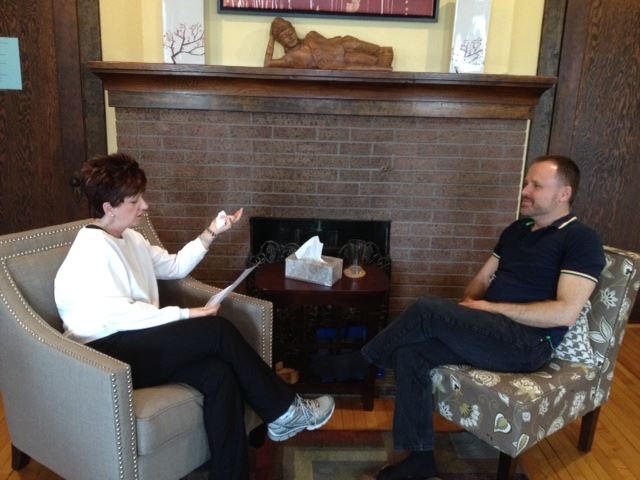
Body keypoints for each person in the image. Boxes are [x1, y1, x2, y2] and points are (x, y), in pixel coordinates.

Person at [54, 153, 335, 480]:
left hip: (135, 341)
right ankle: (284, 411)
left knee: (219, 375)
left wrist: (212, 231)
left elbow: (174, 266)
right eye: (135, 200)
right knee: (216, 331)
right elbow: (117, 315)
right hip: (104, 355)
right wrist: (187, 314)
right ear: (109, 207)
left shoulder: (131, 238)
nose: (145, 206)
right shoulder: (92, 248)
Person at [340, 155, 605, 480]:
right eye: (526, 183)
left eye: (536, 185)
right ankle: (420, 459)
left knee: (426, 308)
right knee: (411, 354)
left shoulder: (581, 239)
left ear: (564, 193)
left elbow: (565, 312)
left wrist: (491, 309)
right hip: (489, 332)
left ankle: (362, 362)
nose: (524, 191)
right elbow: (481, 279)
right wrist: (469, 307)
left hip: (527, 344)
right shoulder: (517, 230)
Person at [264, 16, 393, 70]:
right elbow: (267, 63)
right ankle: (381, 64)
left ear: (294, 30)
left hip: (337, 45)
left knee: (351, 42)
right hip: (337, 61)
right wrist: (271, 38)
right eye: (284, 37)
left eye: (290, 32)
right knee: (368, 61)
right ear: (279, 41)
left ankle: (381, 51)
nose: (290, 37)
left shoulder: (309, 37)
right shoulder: (289, 58)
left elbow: (325, 41)